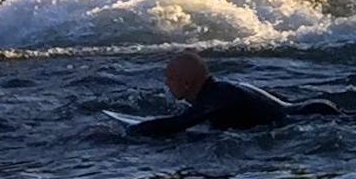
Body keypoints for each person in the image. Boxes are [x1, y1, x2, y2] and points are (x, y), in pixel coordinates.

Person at [128, 50, 338, 135]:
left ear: (186, 82)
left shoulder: (217, 96)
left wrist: (132, 131)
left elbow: (179, 124)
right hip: (306, 114)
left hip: (311, 118)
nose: (166, 83)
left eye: (170, 78)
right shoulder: (219, 90)